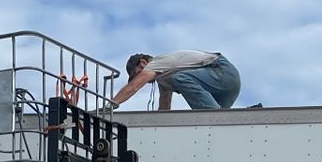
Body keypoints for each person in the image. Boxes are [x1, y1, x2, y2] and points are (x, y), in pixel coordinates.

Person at [101, 50, 242, 111]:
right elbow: (164, 109)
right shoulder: (164, 77)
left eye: (137, 74)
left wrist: (110, 106)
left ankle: (213, 113)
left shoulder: (155, 64)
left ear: (143, 63)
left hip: (223, 72)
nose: (139, 79)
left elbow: (132, 88)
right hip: (225, 87)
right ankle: (219, 114)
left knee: (179, 78)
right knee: (223, 124)